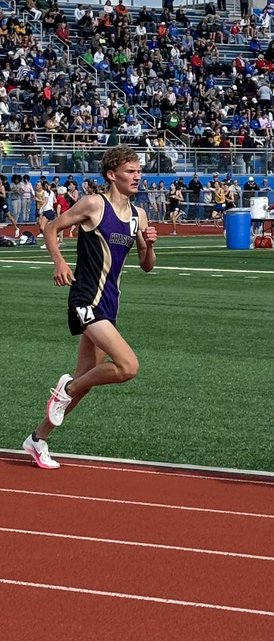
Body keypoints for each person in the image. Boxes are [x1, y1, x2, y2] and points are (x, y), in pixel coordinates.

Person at [22, 146, 157, 470]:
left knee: (86, 381)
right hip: (85, 299)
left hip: (110, 304)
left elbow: (147, 266)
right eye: (130, 171)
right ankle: (65, 388)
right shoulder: (95, 204)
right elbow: (51, 228)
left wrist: (149, 244)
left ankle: (37, 440)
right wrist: (59, 262)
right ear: (112, 175)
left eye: (139, 171)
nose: (137, 176)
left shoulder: (139, 215)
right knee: (127, 367)